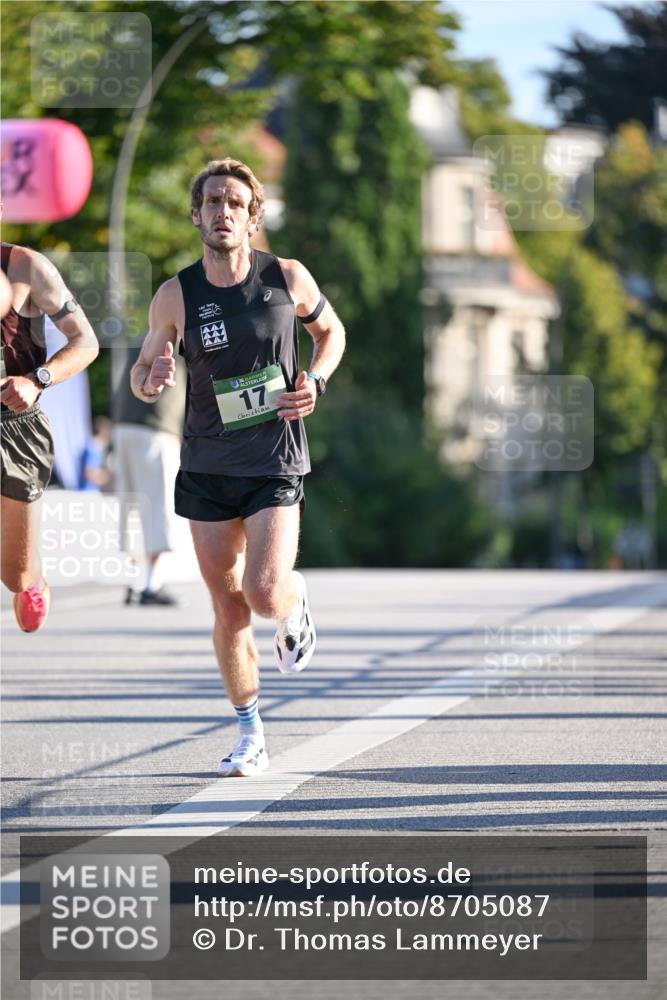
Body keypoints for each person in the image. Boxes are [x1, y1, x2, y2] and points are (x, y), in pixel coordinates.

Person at [131, 158, 345, 776]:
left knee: (263, 593)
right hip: (206, 464)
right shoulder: (175, 294)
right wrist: (153, 378)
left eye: (234, 203)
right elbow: (142, 373)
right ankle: (250, 733)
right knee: (228, 609)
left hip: (274, 459)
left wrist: (315, 380)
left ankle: (293, 598)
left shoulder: (286, 276)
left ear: (253, 219)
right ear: (196, 215)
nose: (222, 211)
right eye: (212, 202)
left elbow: (331, 334)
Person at [1, 231, 99, 632]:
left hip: (15, 428)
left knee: (16, 574)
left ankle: (33, 582)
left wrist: (37, 380)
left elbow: (86, 341)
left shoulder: (25, 266)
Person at [112, 344, 186, 606]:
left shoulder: (143, 337)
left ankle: (134, 580)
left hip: (122, 426)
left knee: (131, 507)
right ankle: (152, 584)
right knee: (157, 506)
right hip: (157, 428)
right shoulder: (182, 337)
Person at [78, 415, 113, 492]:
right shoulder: (95, 448)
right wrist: (109, 476)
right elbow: (89, 473)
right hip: (89, 492)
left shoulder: (90, 445)